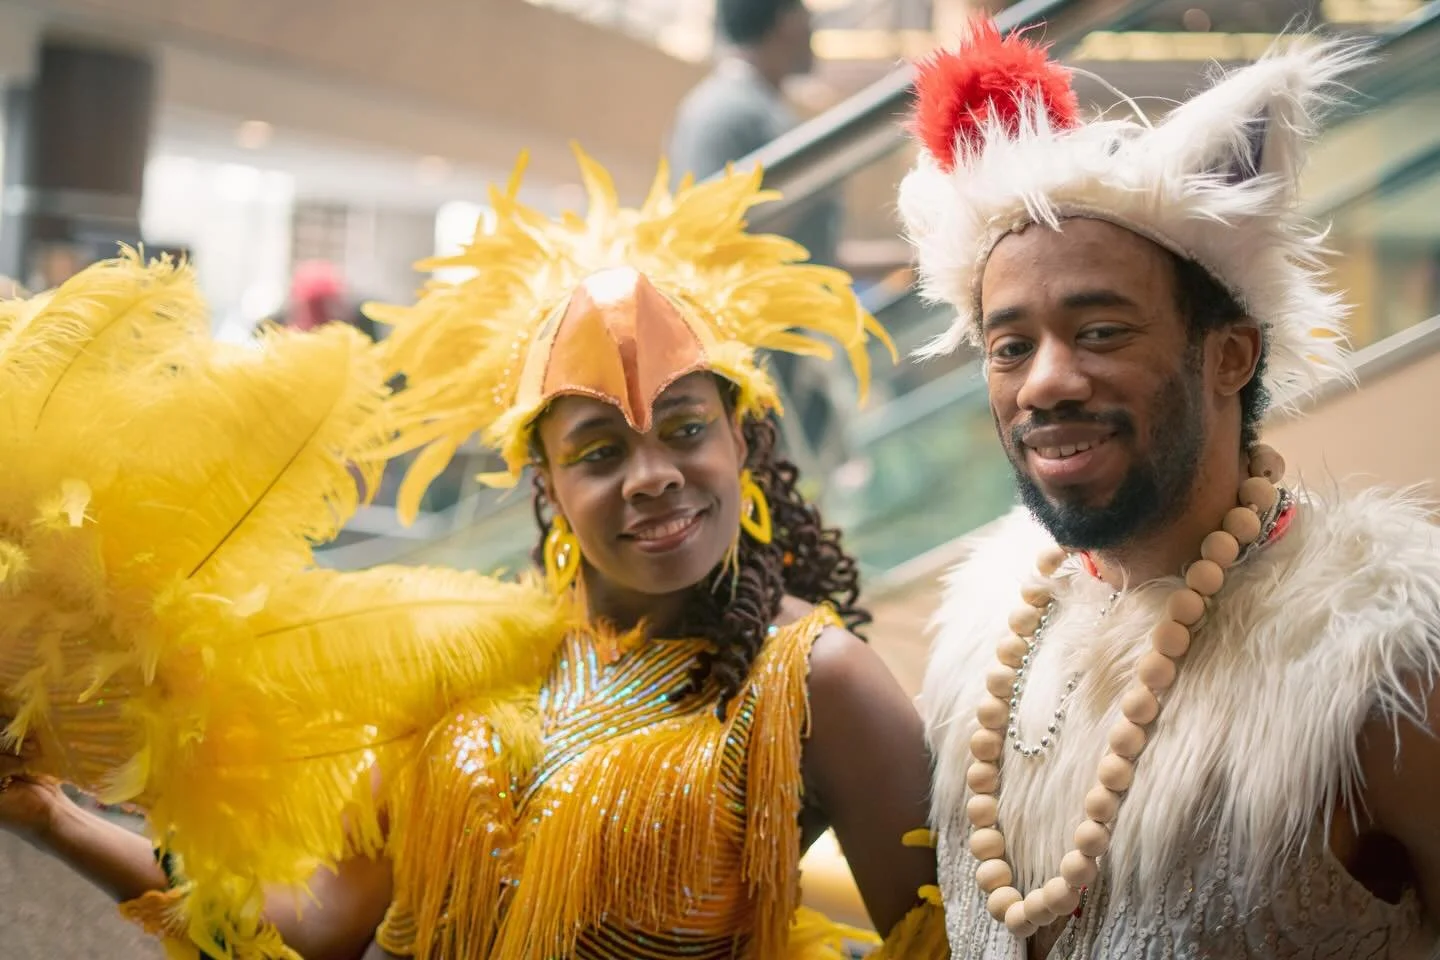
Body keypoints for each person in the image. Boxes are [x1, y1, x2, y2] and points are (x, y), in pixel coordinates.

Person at [0, 150, 948, 958]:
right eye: (600, 452)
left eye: (685, 429)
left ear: (741, 440)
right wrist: (55, 819)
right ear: (545, 483)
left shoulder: (821, 682)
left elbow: (952, 942)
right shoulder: (473, 653)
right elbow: (318, 924)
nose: (652, 475)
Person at [896, 20, 1440, 959]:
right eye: (1010, 346)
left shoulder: (1377, 666)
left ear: (1229, 355)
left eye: (1101, 331)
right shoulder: (982, 642)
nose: (1045, 382)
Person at [669, 0, 845, 470]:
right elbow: (712, 235)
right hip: (756, 354)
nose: (814, 29)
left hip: (782, 351)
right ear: (786, 20)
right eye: (808, 16)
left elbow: (801, 250)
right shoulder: (726, 109)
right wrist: (815, 180)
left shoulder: (754, 106)